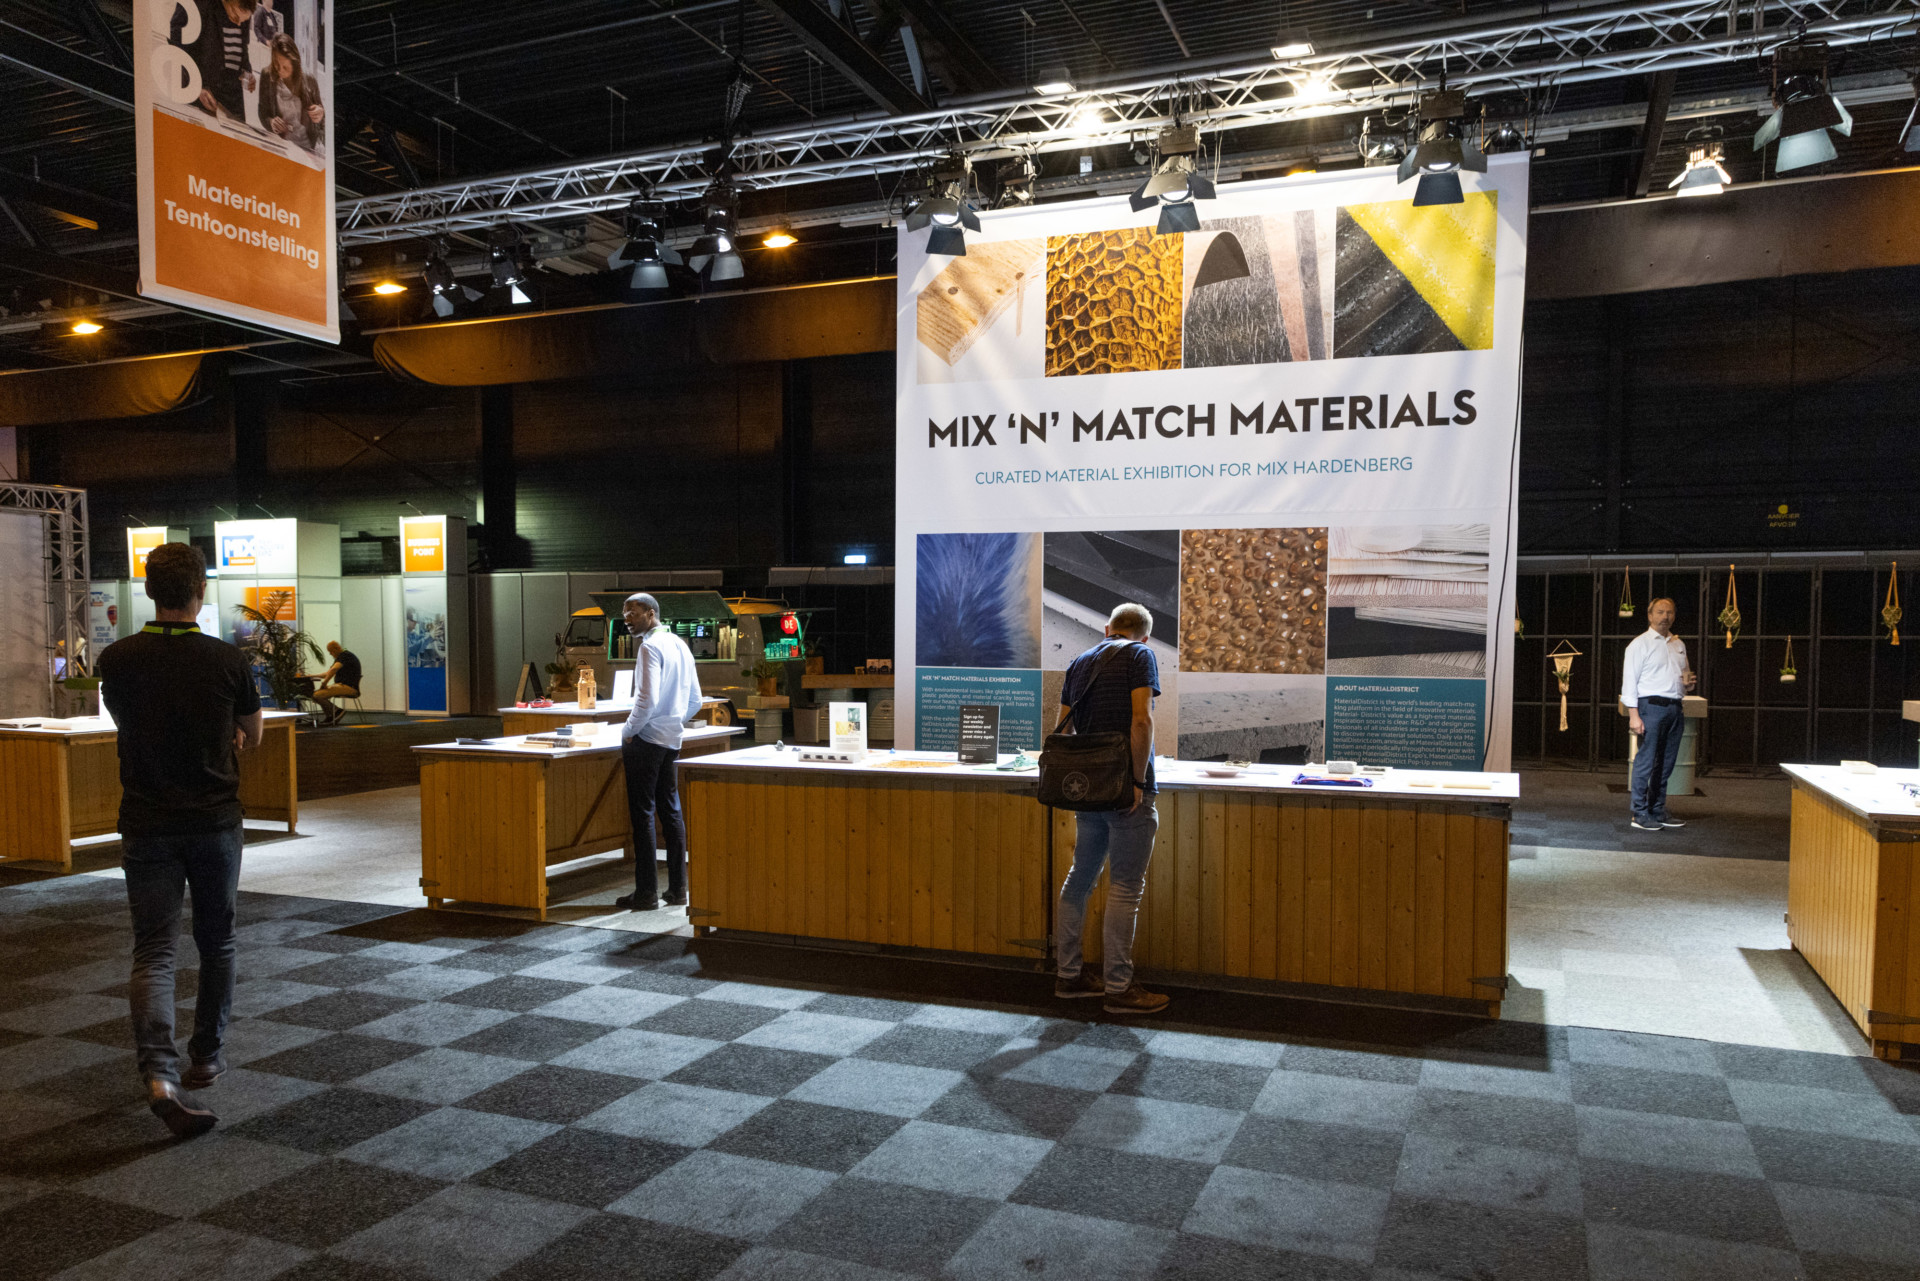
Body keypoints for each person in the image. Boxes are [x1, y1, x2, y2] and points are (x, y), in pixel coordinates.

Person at [97, 543, 263, 1140]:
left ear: (148, 591)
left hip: (146, 822)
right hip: (214, 821)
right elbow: (253, 735)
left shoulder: (117, 658)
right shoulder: (227, 660)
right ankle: (207, 1057)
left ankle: (159, 1076)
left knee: (154, 952)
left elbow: (126, 722)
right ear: (201, 592)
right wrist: (228, 736)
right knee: (217, 942)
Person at [1052, 602, 1169, 1015]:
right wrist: (1136, 782)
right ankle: (1119, 988)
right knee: (1124, 888)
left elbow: (1064, 727)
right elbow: (1141, 721)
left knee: (1079, 880)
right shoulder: (1141, 655)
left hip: (1088, 788)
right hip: (1124, 788)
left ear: (1107, 628)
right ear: (1145, 635)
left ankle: (1069, 976)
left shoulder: (1079, 662)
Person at [615, 594, 704, 912]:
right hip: (671, 740)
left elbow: (646, 700)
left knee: (643, 815)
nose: (627, 619)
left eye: (633, 612)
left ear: (651, 614)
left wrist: (628, 731)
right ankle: (678, 889)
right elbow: (696, 700)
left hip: (646, 740)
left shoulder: (649, 647)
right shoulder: (680, 644)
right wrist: (674, 721)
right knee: (671, 811)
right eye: (625, 613)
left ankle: (646, 893)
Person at [1621, 596, 1696, 832]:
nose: (1665, 616)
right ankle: (1639, 812)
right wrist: (1634, 715)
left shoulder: (1678, 644)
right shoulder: (1639, 644)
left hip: (1675, 707)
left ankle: (1657, 809)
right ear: (1650, 615)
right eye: (1660, 612)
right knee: (1646, 761)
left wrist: (1688, 685)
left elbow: (1684, 676)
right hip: (1650, 707)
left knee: (1666, 763)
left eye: (1669, 612)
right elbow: (1629, 682)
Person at [175, 0, 259, 123]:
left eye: (244, 21)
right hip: (200, 95)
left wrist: (247, 72)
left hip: (229, 103)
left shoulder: (242, 13)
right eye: (235, 17)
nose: (239, 24)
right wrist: (194, 86)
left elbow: (242, 48)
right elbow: (175, 45)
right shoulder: (201, 4)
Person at [256, 33, 325, 154]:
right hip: (280, 145)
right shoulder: (267, 75)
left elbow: (322, 120)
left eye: (285, 67)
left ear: (294, 64)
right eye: (276, 64)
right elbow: (263, 112)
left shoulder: (309, 80)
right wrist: (271, 123)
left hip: (307, 148)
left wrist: (320, 114)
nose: (280, 70)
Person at [306, 641, 362, 725]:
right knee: (315, 695)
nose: (330, 654)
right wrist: (311, 676)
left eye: (330, 652)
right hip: (345, 686)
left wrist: (324, 683)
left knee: (316, 695)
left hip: (349, 687)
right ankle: (332, 715)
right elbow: (328, 673)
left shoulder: (344, 656)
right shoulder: (343, 657)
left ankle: (337, 711)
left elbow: (333, 670)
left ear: (336, 649)